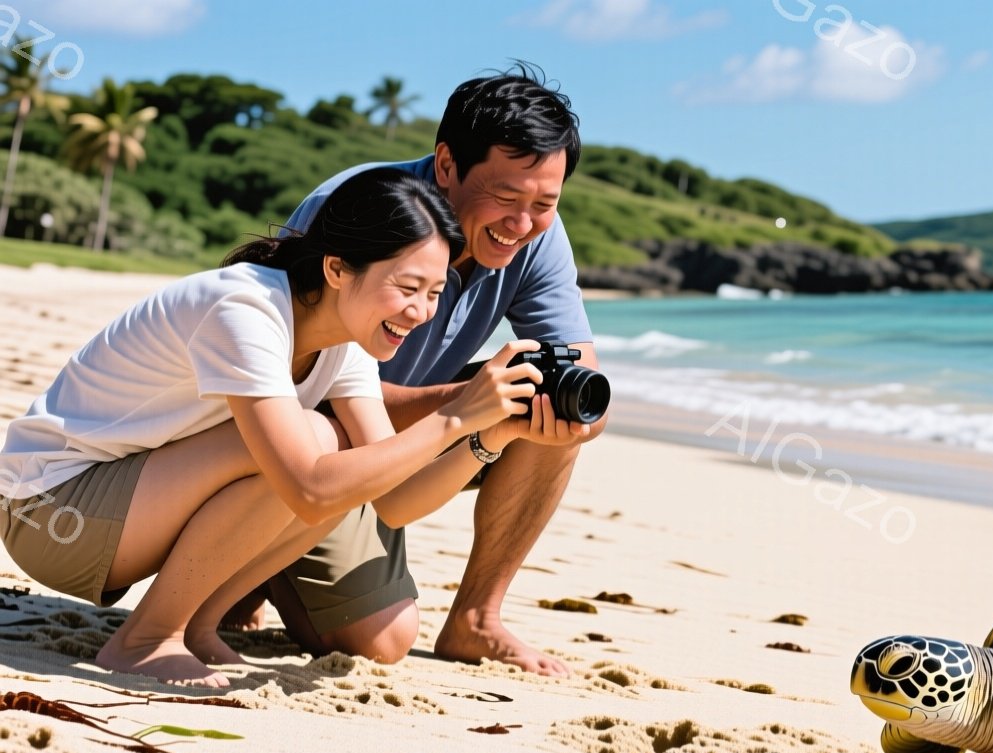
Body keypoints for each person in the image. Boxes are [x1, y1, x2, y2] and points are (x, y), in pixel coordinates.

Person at [0, 168, 563, 687]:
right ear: (338, 268)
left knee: (346, 463)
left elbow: (392, 501)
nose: (421, 312)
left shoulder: (346, 340)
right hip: (49, 512)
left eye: (435, 294)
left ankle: (197, 625)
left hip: (121, 509)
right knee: (317, 446)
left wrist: (492, 435)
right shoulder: (245, 310)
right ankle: (146, 638)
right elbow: (310, 485)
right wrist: (456, 415)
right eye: (408, 288)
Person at [226, 63, 603, 677]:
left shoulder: (535, 231)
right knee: (380, 640)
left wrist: (529, 404)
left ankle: (477, 619)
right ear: (447, 164)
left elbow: (587, 380)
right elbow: (312, 391)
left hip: (407, 433)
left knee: (553, 406)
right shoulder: (365, 212)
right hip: (313, 440)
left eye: (544, 203)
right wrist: (473, 402)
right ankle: (250, 564)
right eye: (505, 197)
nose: (522, 223)